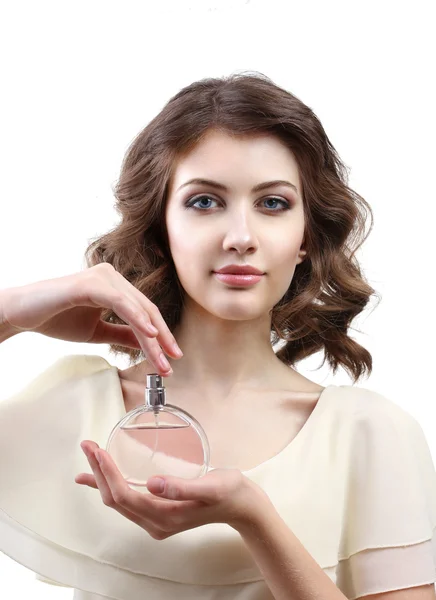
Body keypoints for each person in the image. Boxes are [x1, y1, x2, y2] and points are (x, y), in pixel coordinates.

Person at [0, 72, 435, 600]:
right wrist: (16, 310)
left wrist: (254, 520)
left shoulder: (369, 433)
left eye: (273, 204)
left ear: (305, 238)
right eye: (204, 202)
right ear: (162, 226)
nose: (241, 238)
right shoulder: (74, 406)